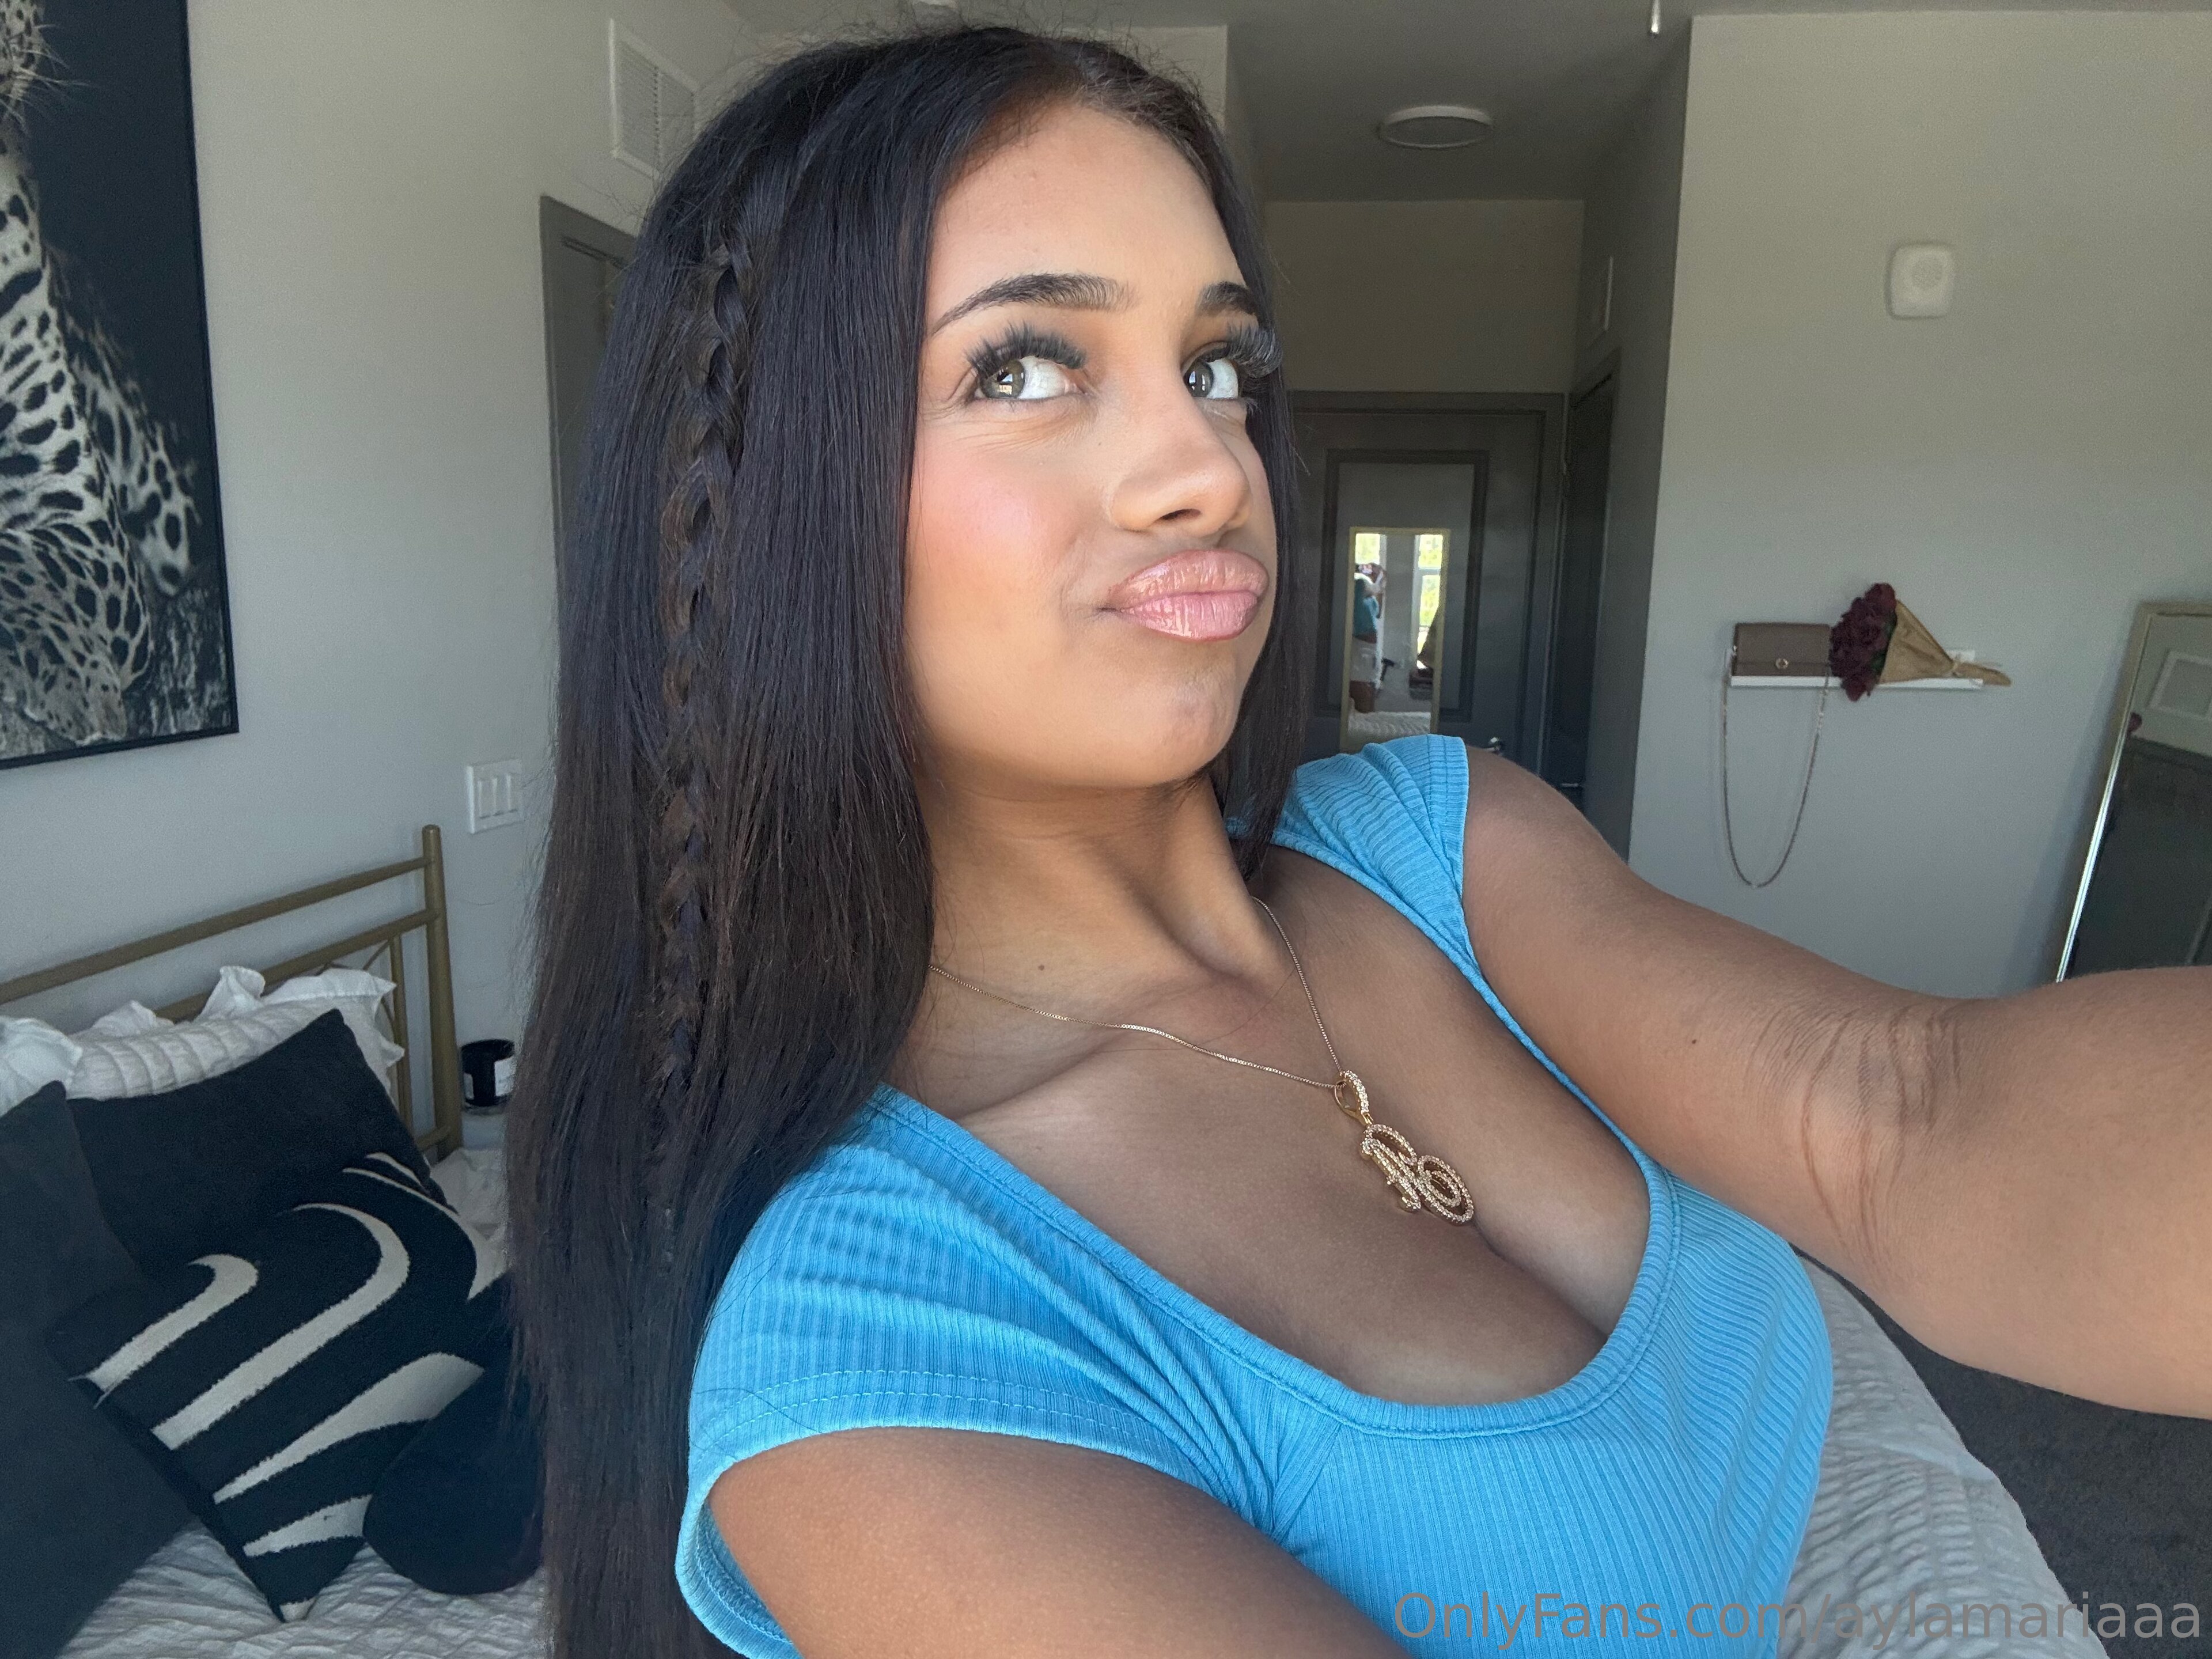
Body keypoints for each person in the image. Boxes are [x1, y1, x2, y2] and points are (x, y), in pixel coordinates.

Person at [506, 26, 2212, 1659]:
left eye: (1216, 366)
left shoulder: (1433, 840)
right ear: (766, 504)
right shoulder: (876, 1351)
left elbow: (1900, 1116)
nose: (1204, 464)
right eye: (1022, 365)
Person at [1347, 569, 1380, 712]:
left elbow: (1378, 613)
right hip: (1361, 647)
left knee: (1369, 685)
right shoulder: (1358, 592)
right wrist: (1361, 569)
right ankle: (1364, 719)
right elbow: (1361, 584)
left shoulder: (1370, 601)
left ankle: (1368, 719)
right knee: (1362, 686)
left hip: (1370, 648)